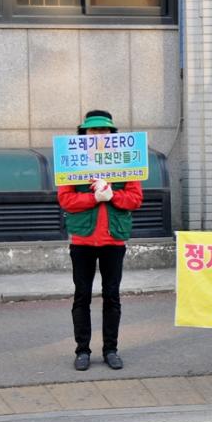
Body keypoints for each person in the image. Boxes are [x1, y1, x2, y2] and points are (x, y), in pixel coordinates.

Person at [57, 110, 144, 371]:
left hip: (113, 239)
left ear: (111, 134)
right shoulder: (71, 161)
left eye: (103, 131)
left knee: (112, 296)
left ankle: (111, 349)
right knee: (82, 296)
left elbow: (135, 199)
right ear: (84, 134)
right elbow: (66, 200)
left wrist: (112, 195)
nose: (98, 135)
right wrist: (94, 197)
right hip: (83, 239)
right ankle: (82, 350)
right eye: (93, 131)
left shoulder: (128, 162)